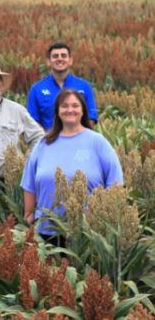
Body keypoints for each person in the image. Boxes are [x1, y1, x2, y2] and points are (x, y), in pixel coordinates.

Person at [21, 89, 123, 239]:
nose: (70, 110)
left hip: (88, 234)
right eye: (64, 106)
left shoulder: (97, 141)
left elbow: (116, 183)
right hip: (46, 231)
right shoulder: (43, 143)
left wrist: (108, 219)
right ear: (57, 111)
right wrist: (29, 214)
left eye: (75, 105)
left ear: (83, 111)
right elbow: (29, 182)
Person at [27, 42, 99, 130]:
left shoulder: (84, 86)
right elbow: (32, 121)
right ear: (48, 61)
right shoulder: (36, 89)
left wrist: (79, 136)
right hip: (49, 141)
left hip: (79, 141)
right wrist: (47, 138)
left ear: (70, 61)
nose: (60, 59)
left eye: (63, 55)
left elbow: (91, 117)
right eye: (55, 56)